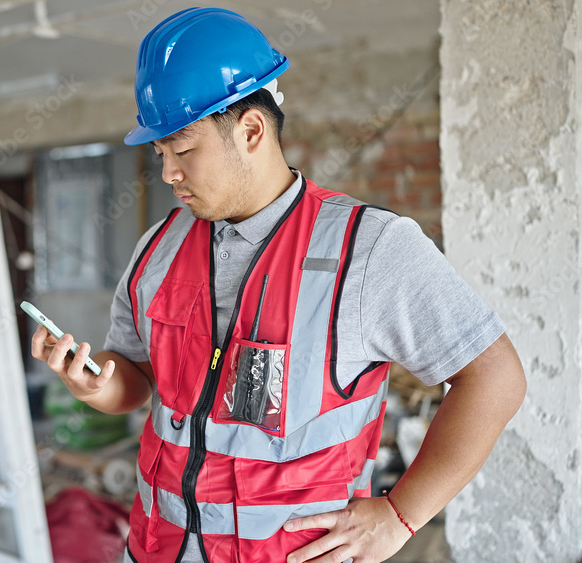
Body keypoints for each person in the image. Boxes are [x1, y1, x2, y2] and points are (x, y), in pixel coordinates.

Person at [31, 7, 526, 563]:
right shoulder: (157, 250)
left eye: (184, 148)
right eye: (160, 152)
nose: (168, 172)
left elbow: (495, 378)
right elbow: (139, 378)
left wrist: (399, 515)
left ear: (250, 130)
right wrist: (97, 385)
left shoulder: (369, 249)